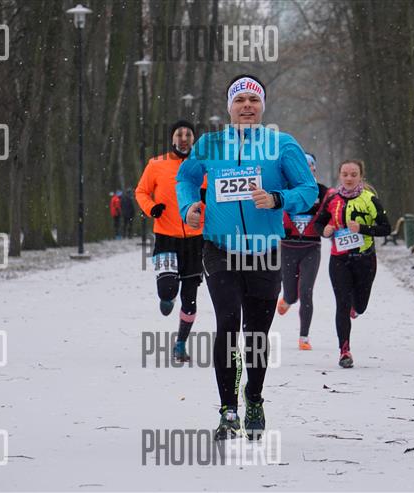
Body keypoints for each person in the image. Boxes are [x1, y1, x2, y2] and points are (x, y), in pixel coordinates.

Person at [177, 74, 317, 440]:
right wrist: (189, 206)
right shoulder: (210, 145)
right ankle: (228, 410)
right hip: (219, 250)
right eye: (239, 100)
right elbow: (185, 179)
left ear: (262, 107)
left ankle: (253, 397)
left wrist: (277, 199)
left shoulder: (282, 145)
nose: (247, 106)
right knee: (227, 322)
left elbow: (308, 189)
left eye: (253, 100)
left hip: (264, 252)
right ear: (230, 107)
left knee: (256, 333)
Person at [136, 120, 205, 362]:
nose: (184, 139)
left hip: (196, 240)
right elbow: (141, 191)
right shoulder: (157, 164)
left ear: (194, 139)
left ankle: (180, 344)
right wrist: (152, 208)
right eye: (179, 134)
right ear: (172, 138)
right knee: (167, 292)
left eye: (188, 135)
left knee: (190, 297)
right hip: (166, 237)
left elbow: (214, 195)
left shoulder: (202, 166)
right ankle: (168, 295)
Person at [313, 159, 391, 368]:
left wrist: (363, 229)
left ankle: (356, 308)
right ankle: (344, 351)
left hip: (365, 260)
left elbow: (386, 228)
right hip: (339, 260)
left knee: (361, 306)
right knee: (342, 304)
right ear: (340, 175)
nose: (349, 178)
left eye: (353, 175)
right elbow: (318, 223)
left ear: (361, 177)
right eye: (345, 174)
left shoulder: (370, 200)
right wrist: (324, 231)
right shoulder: (332, 199)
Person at [277, 153, 328, 350]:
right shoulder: (286, 189)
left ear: (314, 168)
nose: (306, 169)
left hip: (311, 248)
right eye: (302, 165)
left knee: (306, 291)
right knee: (292, 295)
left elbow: (334, 210)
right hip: (288, 247)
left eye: (310, 165)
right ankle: (287, 299)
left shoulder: (322, 191)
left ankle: (304, 337)